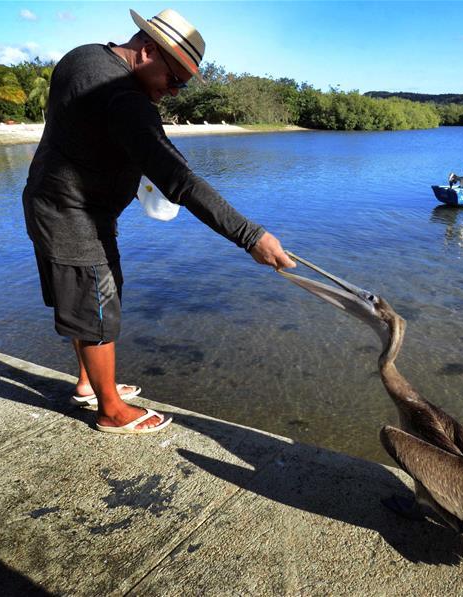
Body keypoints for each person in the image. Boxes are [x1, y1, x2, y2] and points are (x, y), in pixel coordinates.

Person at [22, 8, 296, 434]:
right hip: (72, 214)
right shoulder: (127, 100)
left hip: (47, 199)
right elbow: (181, 182)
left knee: (83, 301)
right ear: (147, 50)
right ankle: (110, 410)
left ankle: (87, 384)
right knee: (97, 306)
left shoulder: (82, 56)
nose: (174, 93)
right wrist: (251, 237)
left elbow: (84, 131)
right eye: (175, 80)